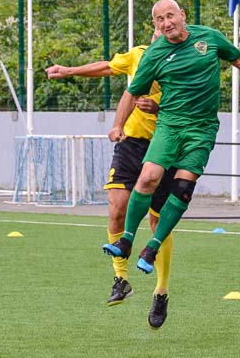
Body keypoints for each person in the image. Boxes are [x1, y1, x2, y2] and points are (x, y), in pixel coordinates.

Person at [102, 0, 240, 284]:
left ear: (182, 15)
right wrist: (118, 124)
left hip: (201, 129)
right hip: (169, 127)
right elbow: (132, 92)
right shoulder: (154, 54)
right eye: (159, 20)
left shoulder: (209, 37)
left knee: (182, 190)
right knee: (147, 179)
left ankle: (151, 249)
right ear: (154, 25)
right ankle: (126, 240)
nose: (166, 23)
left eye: (170, 16)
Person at [45, 29, 176, 329]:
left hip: (166, 145)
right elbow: (106, 66)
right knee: (117, 207)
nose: (162, 29)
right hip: (131, 144)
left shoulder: (183, 63)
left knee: (158, 222)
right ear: (154, 30)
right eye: (158, 24)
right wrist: (69, 70)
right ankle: (121, 278)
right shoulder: (138, 54)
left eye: (167, 22)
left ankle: (161, 291)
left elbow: (190, 104)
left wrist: (159, 107)